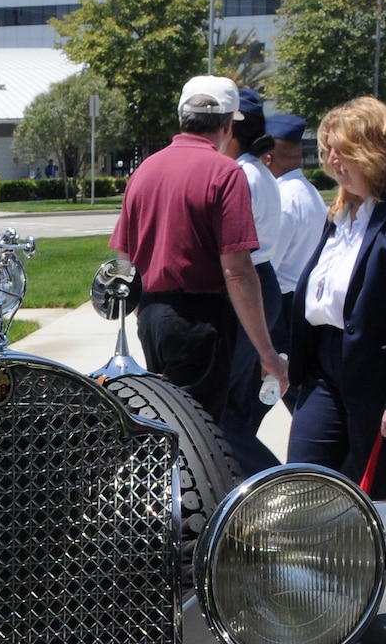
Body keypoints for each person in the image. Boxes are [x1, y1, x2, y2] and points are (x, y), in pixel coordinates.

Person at [285, 97, 386, 499]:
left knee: (380, 500)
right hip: (325, 370)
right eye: (328, 151)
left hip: (384, 379)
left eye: (344, 152)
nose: (333, 162)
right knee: (302, 484)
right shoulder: (342, 213)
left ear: (376, 151)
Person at [109, 75, 287, 417]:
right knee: (199, 435)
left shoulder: (145, 170)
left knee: (166, 421)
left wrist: (145, 310)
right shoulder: (225, 172)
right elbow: (237, 271)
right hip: (201, 319)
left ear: (182, 119)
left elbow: (123, 258)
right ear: (226, 127)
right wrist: (267, 353)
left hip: (152, 315)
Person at [220, 88, 286, 473]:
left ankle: (271, 481)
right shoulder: (257, 169)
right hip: (262, 279)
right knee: (237, 408)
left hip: (247, 284)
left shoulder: (240, 174)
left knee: (218, 411)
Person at [266, 114, 327, 359]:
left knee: (281, 386)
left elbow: (268, 267)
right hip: (303, 299)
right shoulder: (310, 192)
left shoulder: (282, 199)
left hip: (282, 306)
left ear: (268, 158)